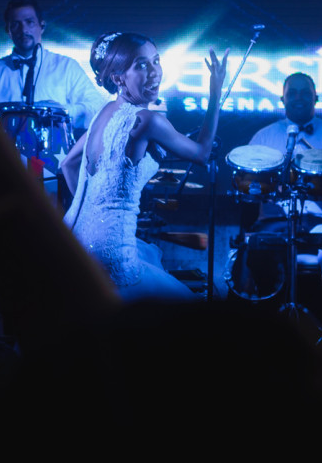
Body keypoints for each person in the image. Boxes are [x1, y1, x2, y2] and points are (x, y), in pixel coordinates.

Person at [62, 32, 228, 301]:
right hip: (111, 254)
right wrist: (216, 92)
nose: (154, 72)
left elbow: (68, 164)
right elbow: (202, 154)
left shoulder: (102, 113)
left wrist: (95, 211)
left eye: (156, 61)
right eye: (141, 65)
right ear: (118, 78)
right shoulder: (149, 120)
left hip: (72, 243)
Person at [0, 0, 107, 132]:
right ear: (8, 30)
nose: (23, 30)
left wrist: (60, 111)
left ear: (42, 26)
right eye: (15, 24)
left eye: (29, 22)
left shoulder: (67, 67)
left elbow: (97, 107)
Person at [248, 71, 322, 222]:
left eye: (305, 93)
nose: (299, 98)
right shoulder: (263, 138)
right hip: (273, 225)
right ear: (282, 99)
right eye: (292, 93)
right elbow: (246, 186)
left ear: (316, 98)